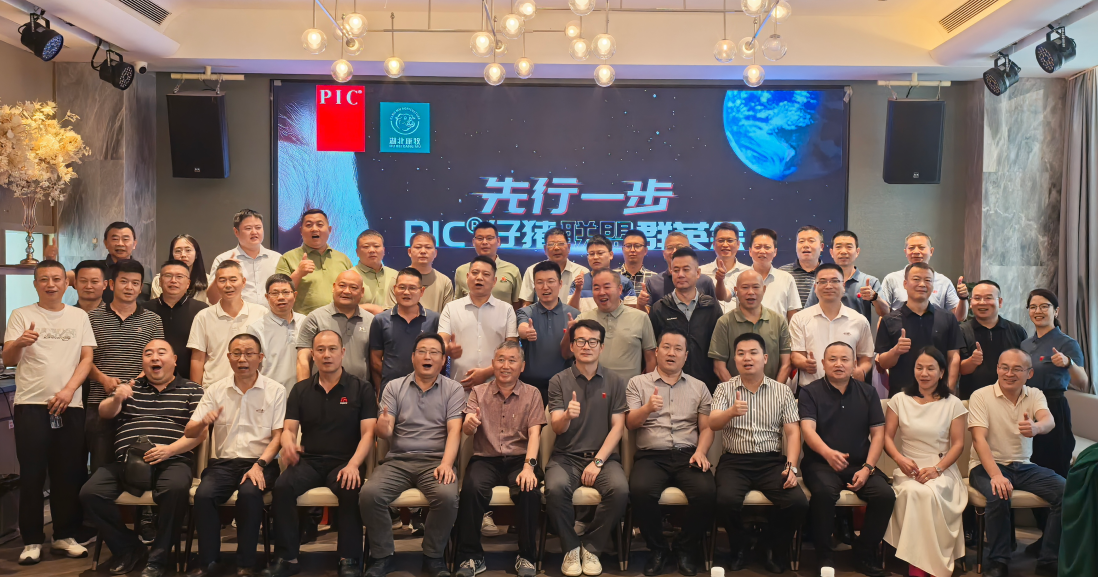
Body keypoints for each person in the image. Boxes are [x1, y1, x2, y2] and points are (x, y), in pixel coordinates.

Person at [80, 339, 206, 577]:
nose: (154, 357)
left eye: (161, 352)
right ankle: (128, 548)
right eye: (148, 354)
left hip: (172, 459)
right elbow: (105, 412)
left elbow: (200, 434)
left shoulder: (193, 390)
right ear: (143, 362)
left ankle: (159, 557)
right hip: (127, 463)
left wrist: (170, 450)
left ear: (174, 360)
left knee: (175, 489)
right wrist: (117, 397)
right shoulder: (130, 387)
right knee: (90, 493)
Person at [4, 260, 96, 565]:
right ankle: (32, 540)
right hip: (31, 404)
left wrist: (69, 390)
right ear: (35, 284)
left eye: (57, 279)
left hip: (70, 405)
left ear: (66, 283)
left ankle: (64, 535)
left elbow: (86, 358)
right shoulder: (21, 315)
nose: (51, 284)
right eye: (44, 279)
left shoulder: (79, 316)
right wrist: (19, 343)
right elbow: (8, 358)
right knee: (32, 475)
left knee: (68, 473)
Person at [264, 331, 377, 577]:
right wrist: (288, 444)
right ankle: (287, 558)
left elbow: (368, 433)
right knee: (282, 487)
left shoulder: (361, 388)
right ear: (313, 355)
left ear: (342, 353)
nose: (327, 355)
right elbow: (289, 430)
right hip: (309, 461)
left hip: (345, 461)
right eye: (321, 350)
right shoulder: (301, 389)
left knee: (350, 488)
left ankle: (349, 559)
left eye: (332, 349)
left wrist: (353, 465)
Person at [361, 333, 464, 577]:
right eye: (422, 351)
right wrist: (383, 426)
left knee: (447, 497)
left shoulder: (453, 389)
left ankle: (433, 557)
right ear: (413, 357)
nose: (427, 356)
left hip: (435, 462)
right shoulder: (394, 387)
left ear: (443, 360)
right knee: (369, 495)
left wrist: (447, 464)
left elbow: (454, 431)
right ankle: (383, 556)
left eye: (434, 352)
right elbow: (385, 432)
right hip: (398, 461)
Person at [185, 334, 286, 577]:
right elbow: (189, 431)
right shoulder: (215, 390)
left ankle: (246, 564)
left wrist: (259, 465)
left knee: (250, 495)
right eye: (237, 353)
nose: (243, 359)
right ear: (228, 357)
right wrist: (203, 422)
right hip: (223, 463)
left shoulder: (276, 390)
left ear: (260, 357)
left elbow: (278, 437)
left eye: (249, 353)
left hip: (261, 462)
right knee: (204, 495)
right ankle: (209, 562)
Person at [709, 333, 806, 573]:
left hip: (771, 462)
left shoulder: (782, 391)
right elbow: (713, 423)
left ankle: (769, 545)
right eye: (741, 353)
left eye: (753, 353)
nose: (747, 358)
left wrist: (791, 467)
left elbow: (793, 432)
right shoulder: (724, 389)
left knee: (797, 503)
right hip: (734, 462)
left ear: (764, 358)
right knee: (724, 500)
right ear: (734, 359)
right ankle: (740, 545)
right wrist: (731, 412)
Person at [798, 342, 894, 576]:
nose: (838, 364)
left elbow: (878, 434)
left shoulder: (868, 392)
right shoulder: (810, 392)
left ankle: (863, 553)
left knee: (885, 495)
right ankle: (824, 556)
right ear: (823, 363)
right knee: (824, 493)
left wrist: (868, 468)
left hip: (859, 465)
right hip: (820, 464)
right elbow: (808, 431)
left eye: (844, 359)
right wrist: (828, 453)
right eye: (832, 359)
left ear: (854, 364)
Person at [625, 329, 715, 576]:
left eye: (678, 349)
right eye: (666, 347)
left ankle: (685, 549)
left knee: (707, 493)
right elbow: (630, 424)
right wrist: (647, 409)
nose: (671, 353)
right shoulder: (637, 383)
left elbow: (707, 428)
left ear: (686, 355)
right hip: (651, 456)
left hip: (688, 454)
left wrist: (701, 452)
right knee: (640, 491)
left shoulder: (699, 387)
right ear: (657, 352)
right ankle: (658, 549)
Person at [452, 341, 546, 577]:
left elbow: (535, 434)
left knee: (529, 489)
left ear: (522, 366)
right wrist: (469, 424)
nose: (506, 365)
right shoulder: (478, 392)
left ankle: (526, 556)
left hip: (520, 459)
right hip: (486, 459)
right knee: (471, 488)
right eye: (501, 360)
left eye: (512, 360)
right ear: (493, 364)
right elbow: (467, 429)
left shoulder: (532, 393)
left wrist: (529, 467)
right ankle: (471, 556)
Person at [968, 349, 1063, 577]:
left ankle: (1048, 558)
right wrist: (996, 475)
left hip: (1024, 466)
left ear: (1029, 373)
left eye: (1017, 369)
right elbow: (979, 439)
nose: (1009, 373)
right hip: (986, 466)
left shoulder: (1035, 394)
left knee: (1067, 492)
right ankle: (998, 561)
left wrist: (1036, 427)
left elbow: (1048, 420)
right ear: (997, 369)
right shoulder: (981, 395)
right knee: (998, 493)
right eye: (1004, 367)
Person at [545, 319, 629, 577]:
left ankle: (592, 547)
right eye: (580, 341)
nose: (586, 346)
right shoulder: (558, 381)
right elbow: (557, 428)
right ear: (572, 346)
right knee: (555, 488)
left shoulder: (615, 381)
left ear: (601, 347)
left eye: (593, 341)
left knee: (620, 490)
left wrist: (598, 462)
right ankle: (571, 548)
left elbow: (618, 428)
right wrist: (566, 416)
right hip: (566, 456)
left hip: (604, 459)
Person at [882, 347, 968, 577]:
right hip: (908, 469)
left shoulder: (953, 404)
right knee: (914, 492)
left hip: (942, 469)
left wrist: (937, 469)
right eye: (919, 367)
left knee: (926, 494)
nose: (924, 373)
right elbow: (886, 438)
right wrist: (899, 459)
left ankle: (923, 566)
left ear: (941, 372)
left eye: (931, 368)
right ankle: (919, 567)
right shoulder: (899, 400)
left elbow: (958, 445)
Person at [86, 259, 166, 472]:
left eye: (135, 283)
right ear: (112, 285)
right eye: (124, 281)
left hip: (139, 404)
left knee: (138, 469)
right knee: (101, 468)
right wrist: (103, 379)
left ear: (140, 288)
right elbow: (83, 360)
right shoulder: (91, 318)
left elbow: (158, 359)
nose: (129, 287)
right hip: (99, 402)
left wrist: (134, 383)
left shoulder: (153, 320)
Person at [1021, 289, 1087, 478]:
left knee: (1054, 463)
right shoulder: (1025, 344)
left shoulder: (1067, 343)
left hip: (1053, 407)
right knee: (1028, 461)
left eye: (1044, 306)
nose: (1038, 311)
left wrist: (1069, 363)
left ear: (1056, 311)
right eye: (1033, 307)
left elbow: (1082, 382)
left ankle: (1059, 497)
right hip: (1027, 406)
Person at [875, 262, 962, 397]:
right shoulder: (889, 320)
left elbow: (954, 357)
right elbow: (883, 363)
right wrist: (896, 351)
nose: (922, 284)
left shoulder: (948, 318)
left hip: (939, 395)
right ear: (905, 284)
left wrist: (949, 390)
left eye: (928, 280)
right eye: (916, 279)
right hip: (901, 396)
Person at [789, 264, 874, 389]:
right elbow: (796, 354)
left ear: (843, 286)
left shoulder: (859, 320)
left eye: (834, 281)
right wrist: (805, 363)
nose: (828, 286)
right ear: (815, 287)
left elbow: (866, 358)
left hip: (849, 389)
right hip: (811, 389)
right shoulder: (799, 318)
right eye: (823, 281)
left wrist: (861, 371)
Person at [648, 247, 722, 390]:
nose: (680, 274)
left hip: (707, 386)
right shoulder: (659, 308)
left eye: (686, 270)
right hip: (668, 387)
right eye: (676, 270)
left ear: (698, 273)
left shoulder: (711, 307)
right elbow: (652, 351)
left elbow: (720, 350)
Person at [440, 256, 519, 390]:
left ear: (494, 281)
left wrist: (487, 372)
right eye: (475, 273)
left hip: (497, 388)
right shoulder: (451, 308)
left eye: (486, 274)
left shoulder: (506, 310)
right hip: (460, 388)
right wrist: (446, 349)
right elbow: (442, 340)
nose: (479, 278)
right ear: (467, 277)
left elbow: (512, 350)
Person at [188, 261, 267, 386]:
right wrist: (196, 392)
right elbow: (197, 359)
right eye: (222, 280)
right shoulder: (203, 316)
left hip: (252, 388)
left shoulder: (261, 313)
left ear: (243, 282)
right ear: (216, 284)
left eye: (233, 280)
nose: (228, 285)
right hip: (214, 389)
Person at [569, 268, 656, 381]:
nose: (601, 292)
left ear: (620, 289)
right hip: (590, 388)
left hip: (631, 389)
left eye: (607, 287)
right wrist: (569, 333)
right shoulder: (583, 319)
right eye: (596, 288)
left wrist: (649, 386)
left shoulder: (641, 317)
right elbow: (567, 355)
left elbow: (650, 358)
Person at [708, 269, 791, 383]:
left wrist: (775, 391)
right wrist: (736, 391)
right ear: (736, 291)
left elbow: (786, 364)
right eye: (745, 287)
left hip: (772, 392)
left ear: (764, 290)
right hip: (735, 393)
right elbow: (719, 367)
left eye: (756, 287)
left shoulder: (778, 321)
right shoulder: (724, 322)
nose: (751, 292)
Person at [369, 268, 441, 393]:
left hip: (426, 390)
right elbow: (375, 361)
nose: (406, 292)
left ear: (422, 291)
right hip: (391, 391)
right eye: (402, 287)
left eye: (412, 288)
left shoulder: (434, 319)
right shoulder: (380, 320)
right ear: (394, 289)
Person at [517, 261, 580, 402]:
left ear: (560, 284)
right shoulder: (526, 312)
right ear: (534, 286)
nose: (545, 287)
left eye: (551, 281)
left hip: (564, 386)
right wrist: (526, 332)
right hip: (529, 387)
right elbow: (522, 327)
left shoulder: (574, 315)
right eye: (540, 282)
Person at [296, 270, 373, 383]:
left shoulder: (371, 321)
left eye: (353, 287)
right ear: (333, 287)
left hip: (361, 389)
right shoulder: (315, 318)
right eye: (342, 286)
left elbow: (376, 360)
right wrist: (303, 390)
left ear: (362, 292)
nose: (346, 291)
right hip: (322, 389)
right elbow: (303, 359)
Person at [957, 280, 1028, 400]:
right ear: (971, 303)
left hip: (1011, 400)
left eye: (988, 298)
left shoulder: (1017, 331)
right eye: (977, 298)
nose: (982, 302)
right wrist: (972, 361)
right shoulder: (962, 331)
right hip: (973, 400)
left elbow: (1026, 366)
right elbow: (959, 369)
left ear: (1000, 302)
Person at [49, 221, 151, 304]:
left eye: (125, 239)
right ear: (106, 243)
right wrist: (50, 260)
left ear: (134, 244)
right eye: (115, 239)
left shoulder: (145, 270)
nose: (120, 243)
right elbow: (59, 278)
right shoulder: (95, 268)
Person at [275, 209, 353, 315]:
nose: (314, 229)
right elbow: (279, 294)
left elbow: (354, 290)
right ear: (301, 231)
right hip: (304, 321)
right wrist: (298, 273)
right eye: (309, 225)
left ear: (329, 230)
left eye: (320, 225)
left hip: (341, 319)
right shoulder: (287, 258)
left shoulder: (343, 259)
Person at [877, 232, 967, 322]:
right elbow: (883, 315)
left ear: (931, 251)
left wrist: (963, 298)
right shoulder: (892, 279)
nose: (916, 251)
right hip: (900, 329)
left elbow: (959, 317)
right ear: (905, 252)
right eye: (911, 248)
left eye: (921, 247)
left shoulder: (944, 282)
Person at [145, 260, 210, 381]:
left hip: (189, 381)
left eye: (179, 276)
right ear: (159, 281)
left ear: (188, 283)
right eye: (168, 276)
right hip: (150, 380)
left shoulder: (202, 310)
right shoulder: (144, 309)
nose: (173, 280)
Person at [207, 209, 282, 307]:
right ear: (236, 232)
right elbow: (212, 299)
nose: (254, 232)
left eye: (258, 227)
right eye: (248, 228)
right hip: (237, 315)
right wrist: (223, 272)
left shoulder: (277, 258)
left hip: (271, 315)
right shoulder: (223, 260)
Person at [805, 230, 885, 321]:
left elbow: (885, 313)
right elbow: (807, 313)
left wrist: (875, 297)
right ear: (831, 252)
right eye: (838, 247)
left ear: (857, 252)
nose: (843, 251)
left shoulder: (869, 281)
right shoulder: (821, 281)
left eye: (849, 247)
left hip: (858, 329)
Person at [246, 274, 306, 387]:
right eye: (275, 293)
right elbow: (250, 369)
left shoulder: (306, 322)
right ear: (267, 297)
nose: (281, 297)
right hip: (269, 393)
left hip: (302, 392)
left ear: (295, 295)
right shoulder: (256, 329)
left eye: (286, 292)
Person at [454, 221, 522, 305]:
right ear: (474, 242)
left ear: (498, 241)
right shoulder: (461, 271)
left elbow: (517, 305)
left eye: (489, 238)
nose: (484, 242)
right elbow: (458, 304)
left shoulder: (512, 270)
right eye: (480, 238)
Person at [643, 232, 722, 305]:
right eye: (670, 248)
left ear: (690, 251)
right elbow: (647, 314)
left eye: (679, 247)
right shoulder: (653, 282)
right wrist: (641, 304)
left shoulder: (705, 281)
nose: (674, 251)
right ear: (664, 253)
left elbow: (714, 312)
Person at [519, 228, 589, 307]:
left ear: (569, 247)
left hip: (573, 314)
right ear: (545, 249)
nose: (556, 248)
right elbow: (527, 303)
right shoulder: (532, 270)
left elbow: (586, 305)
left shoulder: (582, 272)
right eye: (551, 244)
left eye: (561, 244)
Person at [568, 235, 637, 312]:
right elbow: (570, 312)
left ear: (611, 255)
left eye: (600, 253)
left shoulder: (624, 282)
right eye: (591, 254)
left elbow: (632, 313)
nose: (595, 257)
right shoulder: (578, 283)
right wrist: (578, 291)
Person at [744, 228, 801, 320]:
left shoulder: (786, 278)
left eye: (767, 247)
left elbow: (792, 315)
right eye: (758, 247)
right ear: (750, 251)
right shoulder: (740, 278)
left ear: (775, 252)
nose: (762, 251)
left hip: (778, 329)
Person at [700, 222, 750, 313]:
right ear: (714, 244)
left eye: (730, 240)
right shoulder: (701, 272)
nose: (725, 245)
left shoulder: (748, 272)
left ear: (738, 244)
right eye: (721, 240)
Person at [404, 231, 454, 313]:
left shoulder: (445, 282)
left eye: (428, 247)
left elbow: (448, 315)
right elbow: (390, 314)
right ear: (409, 252)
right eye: (418, 247)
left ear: (435, 253)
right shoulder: (397, 279)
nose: (423, 251)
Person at [151, 234, 210, 303]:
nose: (183, 255)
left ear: (196, 254)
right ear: (172, 254)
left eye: (188, 250)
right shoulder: (159, 280)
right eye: (178, 251)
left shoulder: (209, 281)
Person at [354, 229, 399, 315]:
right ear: (357, 252)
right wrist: (369, 308)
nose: (372, 250)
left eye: (376, 246)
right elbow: (342, 308)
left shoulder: (395, 275)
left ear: (384, 251)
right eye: (366, 247)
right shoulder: (348, 276)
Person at [778, 225, 825, 306]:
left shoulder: (830, 274)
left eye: (811, 241)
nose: (805, 245)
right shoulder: (782, 273)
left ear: (821, 247)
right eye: (801, 241)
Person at [616, 229, 659, 302]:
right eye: (628, 246)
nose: (632, 250)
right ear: (623, 249)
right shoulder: (611, 276)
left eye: (637, 246)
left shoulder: (654, 279)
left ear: (645, 251)